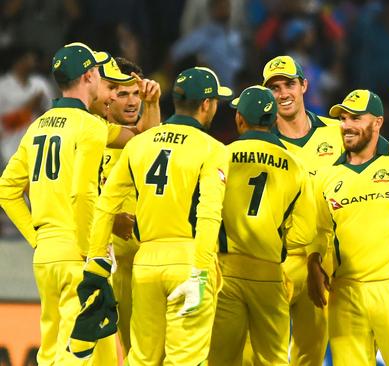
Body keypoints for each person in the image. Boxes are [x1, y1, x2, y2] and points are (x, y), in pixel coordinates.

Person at [81, 67, 232, 364]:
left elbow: (105, 205)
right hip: (189, 261)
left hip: (145, 262)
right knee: (185, 359)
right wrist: (201, 276)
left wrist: (95, 264)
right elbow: (209, 215)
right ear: (206, 105)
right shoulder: (212, 148)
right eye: (215, 101)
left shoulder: (138, 144)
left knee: (142, 358)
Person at [0, 42, 116, 365]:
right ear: (90, 76)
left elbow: (6, 190)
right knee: (74, 354)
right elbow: (83, 194)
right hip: (75, 249)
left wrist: (37, 238)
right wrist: (88, 250)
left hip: (46, 254)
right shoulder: (90, 127)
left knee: (51, 350)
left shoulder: (37, 126)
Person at [308, 89, 389, 366]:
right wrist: (313, 262)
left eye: (356, 118)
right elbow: (320, 230)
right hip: (344, 293)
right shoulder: (325, 177)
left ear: (378, 122)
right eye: (343, 118)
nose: (347, 125)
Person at [209, 85, 316, 365]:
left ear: (240, 120)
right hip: (269, 272)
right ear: (274, 121)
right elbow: (305, 232)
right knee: (273, 359)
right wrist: (275, 240)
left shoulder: (223, 154)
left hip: (225, 271)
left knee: (221, 357)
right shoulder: (295, 165)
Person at [262, 55, 344, 365]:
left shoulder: (337, 132)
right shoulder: (262, 141)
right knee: (267, 353)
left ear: (304, 85)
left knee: (311, 353)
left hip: (323, 262)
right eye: (274, 88)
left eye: (289, 84)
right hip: (276, 261)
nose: (283, 94)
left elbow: (377, 155)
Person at [100, 57, 146, 355]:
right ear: (107, 96)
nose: (132, 101)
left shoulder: (155, 138)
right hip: (113, 267)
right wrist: (110, 220)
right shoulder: (94, 136)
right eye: (123, 93)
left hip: (150, 262)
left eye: (136, 93)